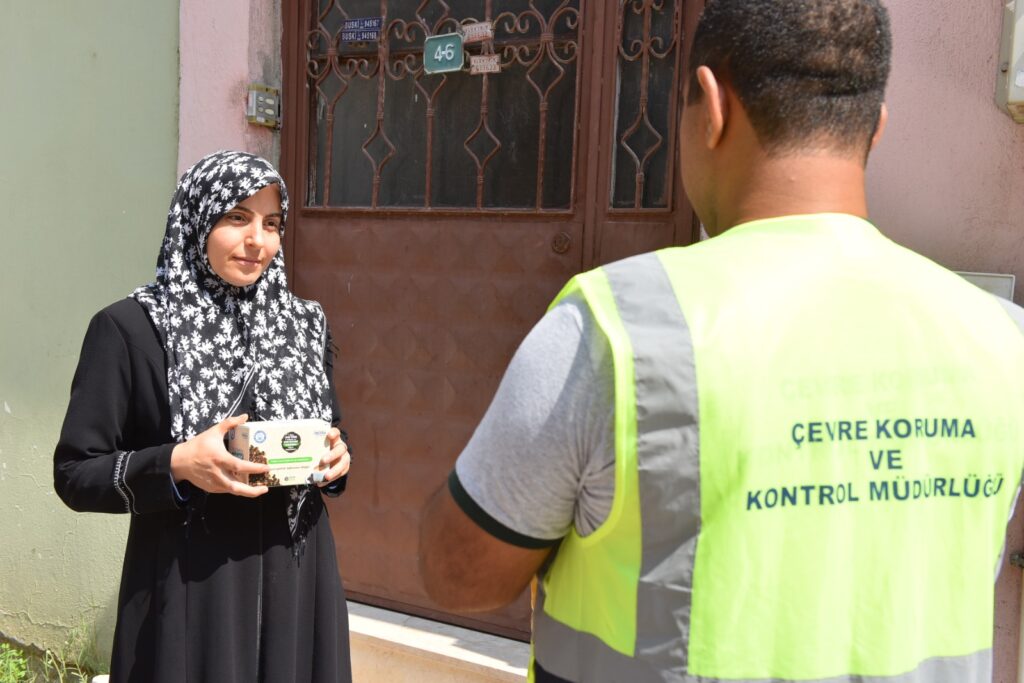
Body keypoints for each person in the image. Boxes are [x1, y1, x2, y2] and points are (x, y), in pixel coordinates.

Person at [419, 0, 1024, 680]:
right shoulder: (999, 341)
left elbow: (461, 572)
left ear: (710, 106)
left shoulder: (622, 327)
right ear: (874, 130)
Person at [54, 151, 353, 682]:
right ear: (196, 218)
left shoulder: (304, 324)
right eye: (236, 217)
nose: (258, 240)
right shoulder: (131, 328)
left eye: (272, 223)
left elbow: (331, 429)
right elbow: (76, 473)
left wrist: (337, 456)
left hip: (299, 581)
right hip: (189, 593)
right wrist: (177, 463)